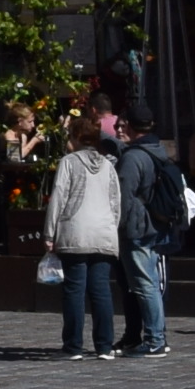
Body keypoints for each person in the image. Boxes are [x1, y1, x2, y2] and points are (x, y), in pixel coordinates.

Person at [44, 115, 127, 358]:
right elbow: (116, 202)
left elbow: (59, 197)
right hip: (103, 234)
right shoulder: (108, 165)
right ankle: (104, 346)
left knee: (74, 290)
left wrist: (50, 232)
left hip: (75, 232)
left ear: (77, 138)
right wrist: (111, 229)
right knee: (101, 291)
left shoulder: (69, 162)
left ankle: (73, 346)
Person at [117, 120, 188, 361]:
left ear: (132, 127)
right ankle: (157, 338)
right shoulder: (159, 151)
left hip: (138, 229)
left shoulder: (133, 157)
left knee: (145, 285)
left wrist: (119, 226)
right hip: (156, 225)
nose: (119, 130)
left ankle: (155, 340)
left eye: (123, 125)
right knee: (151, 284)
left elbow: (124, 196)